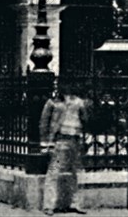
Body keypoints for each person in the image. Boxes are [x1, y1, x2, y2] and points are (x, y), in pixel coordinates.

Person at [40, 80, 90, 216]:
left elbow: (85, 120)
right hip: (59, 140)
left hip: (75, 140)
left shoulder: (79, 102)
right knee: (54, 171)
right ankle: (49, 205)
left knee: (75, 172)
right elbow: (44, 123)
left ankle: (76, 203)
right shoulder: (53, 102)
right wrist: (46, 143)